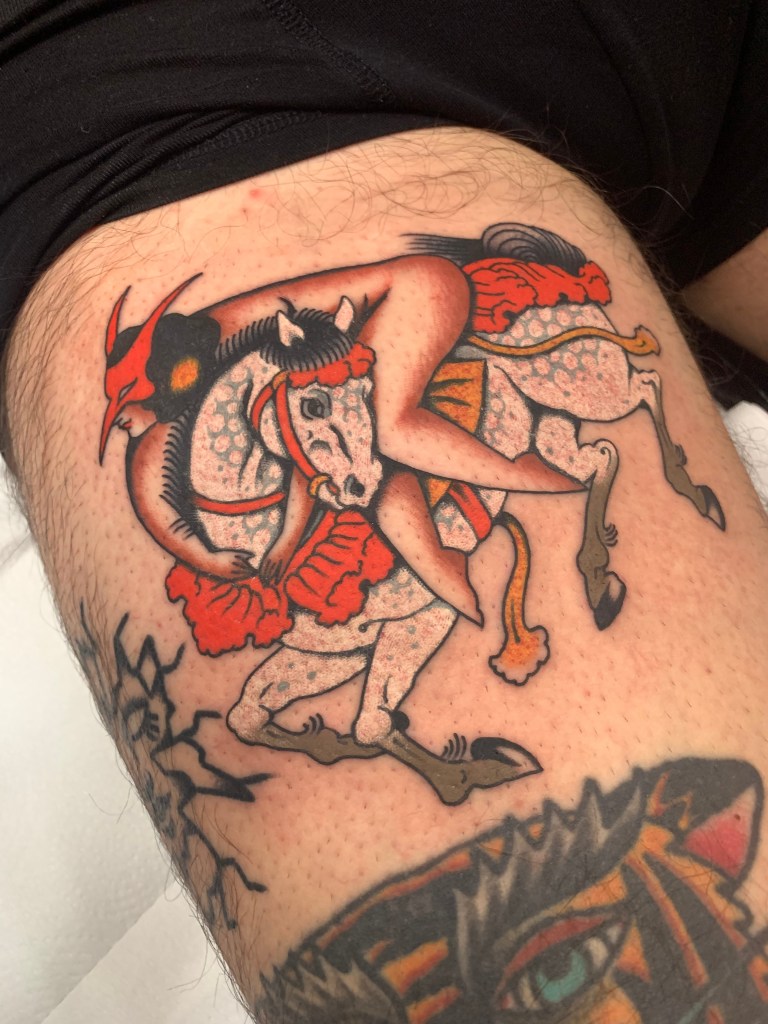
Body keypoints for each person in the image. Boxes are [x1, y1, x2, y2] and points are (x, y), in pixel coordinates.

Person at [1, 2, 767, 1021]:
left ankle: (547, 489)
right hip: (237, 74)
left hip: (423, 284)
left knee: (394, 431)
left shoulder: (266, 339)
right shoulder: (191, 271)